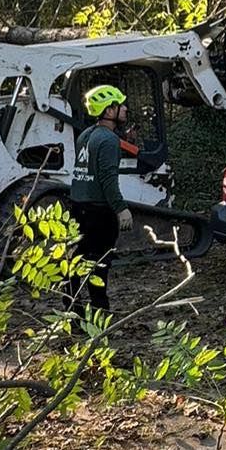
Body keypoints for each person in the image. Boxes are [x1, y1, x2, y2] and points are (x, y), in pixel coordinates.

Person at [66, 83, 134, 310]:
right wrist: (121, 208)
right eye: (120, 105)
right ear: (108, 110)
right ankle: (99, 312)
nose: (125, 108)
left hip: (77, 207)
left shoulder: (85, 135)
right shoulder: (109, 140)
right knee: (99, 264)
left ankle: (72, 311)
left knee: (75, 261)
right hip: (99, 213)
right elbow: (107, 179)